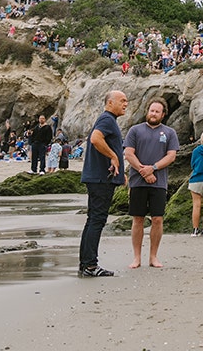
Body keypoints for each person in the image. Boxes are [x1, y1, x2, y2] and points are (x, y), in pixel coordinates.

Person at [124, 97, 180, 268]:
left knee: (157, 219)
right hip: (138, 182)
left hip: (159, 183)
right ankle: (136, 257)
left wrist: (153, 168)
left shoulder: (169, 133)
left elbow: (171, 156)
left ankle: (153, 256)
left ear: (163, 114)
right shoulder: (135, 130)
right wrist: (144, 171)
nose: (153, 114)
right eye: (151, 110)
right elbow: (128, 153)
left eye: (157, 111)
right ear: (147, 111)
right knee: (138, 219)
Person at [79, 90, 128, 277]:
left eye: (127, 101)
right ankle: (90, 266)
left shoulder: (108, 120)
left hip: (98, 177)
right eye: (122, 101)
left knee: (92, 220)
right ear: (110, 103)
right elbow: (95, 139)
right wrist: (114, 157)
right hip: (101, 179)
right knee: (97, 220)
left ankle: (85, 264)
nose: (125, 104)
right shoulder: (107, 119)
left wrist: (120, 172)